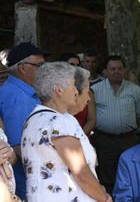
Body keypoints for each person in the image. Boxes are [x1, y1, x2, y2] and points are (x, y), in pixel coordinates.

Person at [21, 62, 111, 202]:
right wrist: (104, 198)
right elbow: (81, 173)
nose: (76, 91)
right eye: (72, 86)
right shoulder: (59, 121)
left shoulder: (33, 119)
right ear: (59, 90)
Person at [91, 55, 140, 194]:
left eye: (119, 68)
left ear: (125, 70)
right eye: (112, 69)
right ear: (105, 71)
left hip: (129, 140)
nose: (116, 72)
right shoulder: (95, 90)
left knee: (131, 174)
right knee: (107, 177)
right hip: (105, 140)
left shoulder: (134, 89)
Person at [0, 42, 48, 199]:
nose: (44, 70)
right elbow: (18, 147)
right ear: (22, 67)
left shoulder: (24, 92)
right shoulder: (16, 98)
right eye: (39, 65)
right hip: (27, 184)